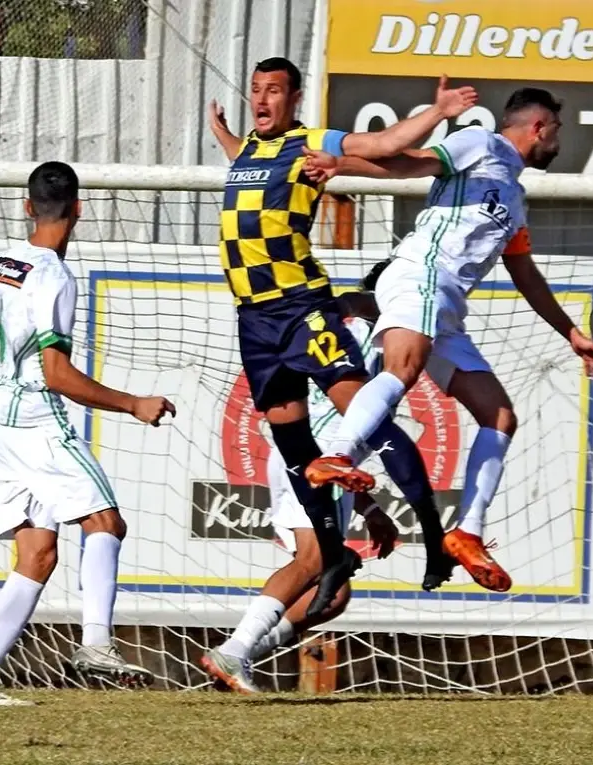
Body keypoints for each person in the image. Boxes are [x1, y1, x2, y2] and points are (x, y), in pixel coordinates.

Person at [300, 87, 593, 593]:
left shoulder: (514, 193)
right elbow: (417, 162)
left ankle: (467, 532)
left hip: (448, 305)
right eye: (557, 128)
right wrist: (342, 165)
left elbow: (525, 274)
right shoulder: (480, 142)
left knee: (499, 415)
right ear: (539, 127)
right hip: (421, 274)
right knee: (401, 370)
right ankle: (337, 453)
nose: (558, 137)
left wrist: (572, 332)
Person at [207, 55, 478, 617]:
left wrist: (438, 111)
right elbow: (242, 158)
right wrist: (225, 134)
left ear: (295, 98)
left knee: (368, 421)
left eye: (274, 91)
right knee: (293, 449)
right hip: (253, 322)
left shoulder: (308, 143)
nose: (261, 99)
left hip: (301, 310)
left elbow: (381, 145)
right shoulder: (250, 150)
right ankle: (332, 553)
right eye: (256, 89)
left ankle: (434, 536)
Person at [0, 161, 175, 706]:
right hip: (37, 416)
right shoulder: (55, 276)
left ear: (28, 208)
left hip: (1, 422)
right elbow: (58, 376)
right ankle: (96, 644)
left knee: (38, 553)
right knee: (105, 521)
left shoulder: (1, 263)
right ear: (78, 210)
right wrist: (133, 403)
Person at [201, 263, 455, 693]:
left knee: (333, 595)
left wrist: (371, 509)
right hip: (314, 456)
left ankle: (245, 653)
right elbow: (351, 416)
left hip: (310, 456)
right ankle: (234, 651)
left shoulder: (348, 325)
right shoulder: (373, 334)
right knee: (313, 561)